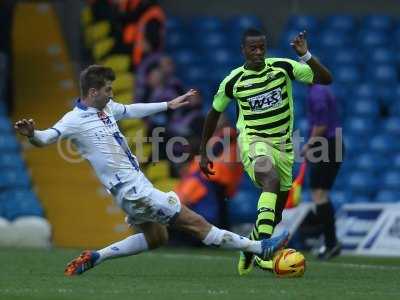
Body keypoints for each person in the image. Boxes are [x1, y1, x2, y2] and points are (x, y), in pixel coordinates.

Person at [14, 65, 288, 276]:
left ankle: (96, 257)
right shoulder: (74, 120)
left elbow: (130, 110)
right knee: (196, 223)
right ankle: (258, 247)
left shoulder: (105, 107)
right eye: (108, 89)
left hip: (131, 189)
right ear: (93, 92)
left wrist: (167, 105)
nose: (111, 94)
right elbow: (47, 138)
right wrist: (32, 134)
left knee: (157, 238)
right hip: (135, 191)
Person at [199, 28, 333, 275]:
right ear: (244, 50)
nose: (259, 52)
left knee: (277, 212)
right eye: (253, 48)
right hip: (254, 142)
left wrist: (306, 55)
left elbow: (325, 79)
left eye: (262, 47)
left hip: (283, 146)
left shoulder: (282, 67)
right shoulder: (233, 81)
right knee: (268, 178)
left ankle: (249, 245)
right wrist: (204, 152)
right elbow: (214, 113)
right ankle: (262, 252)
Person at [300, 83, 343, 259]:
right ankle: (330, 242)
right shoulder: (321, 90)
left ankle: (331, 243)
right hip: (332, 144)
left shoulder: (316, 92)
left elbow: (322, 125)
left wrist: (309, 145)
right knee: (320, 195)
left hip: (327, 144)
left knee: (319, 195)